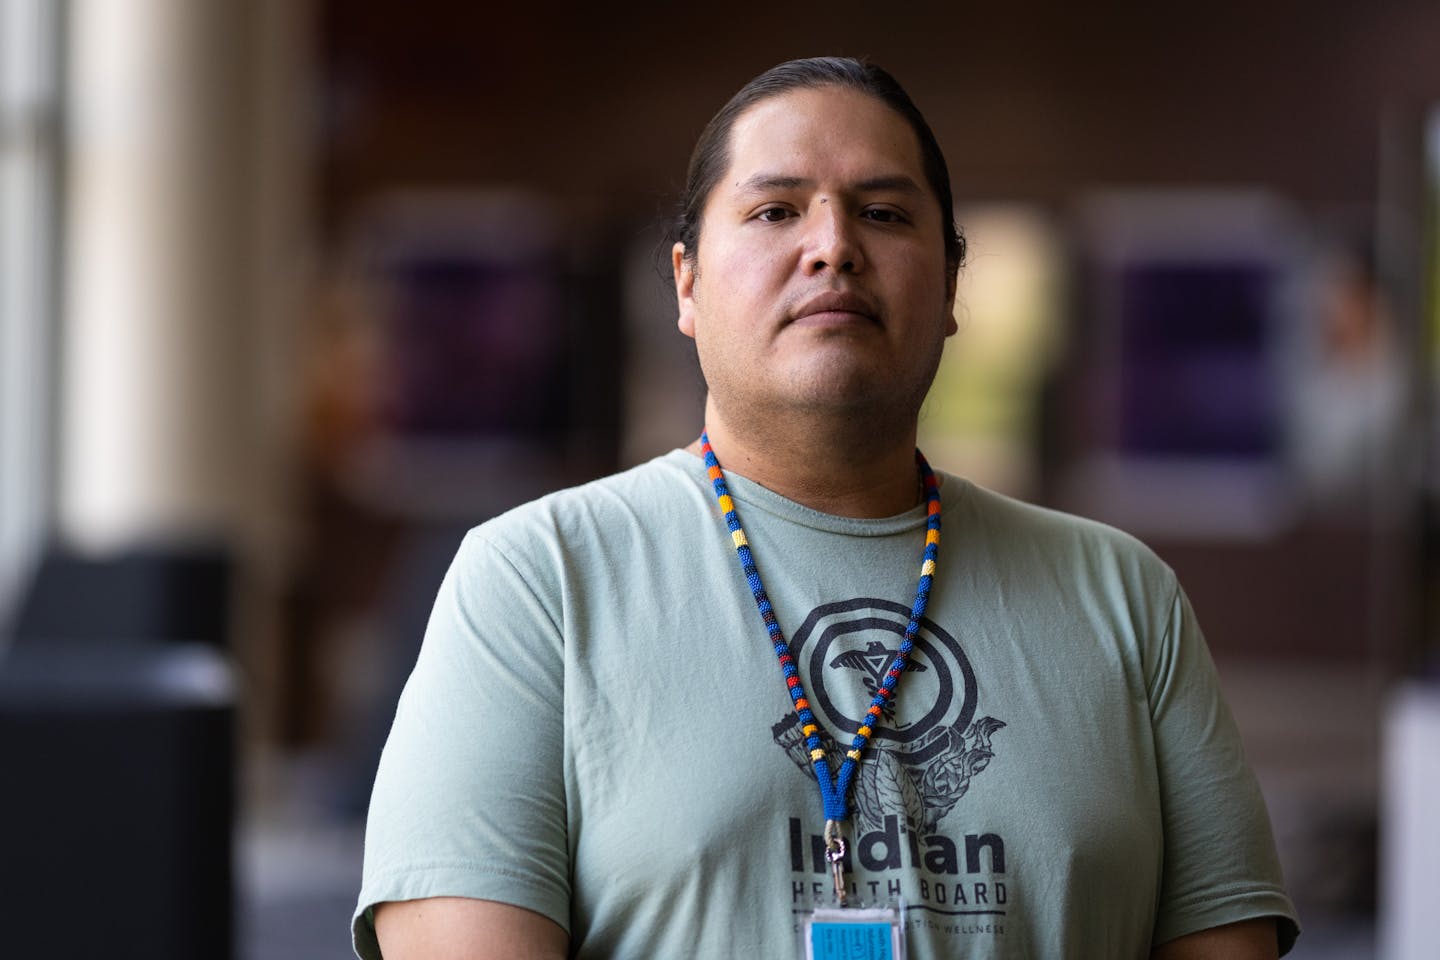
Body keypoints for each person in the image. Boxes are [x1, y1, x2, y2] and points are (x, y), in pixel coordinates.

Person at [354, 57, 1300, 959]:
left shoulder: (1124, 595)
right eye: (774, 210)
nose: (834, 246)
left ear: (953, 285)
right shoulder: (538, 580)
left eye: (883, 212)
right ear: (686, 283)